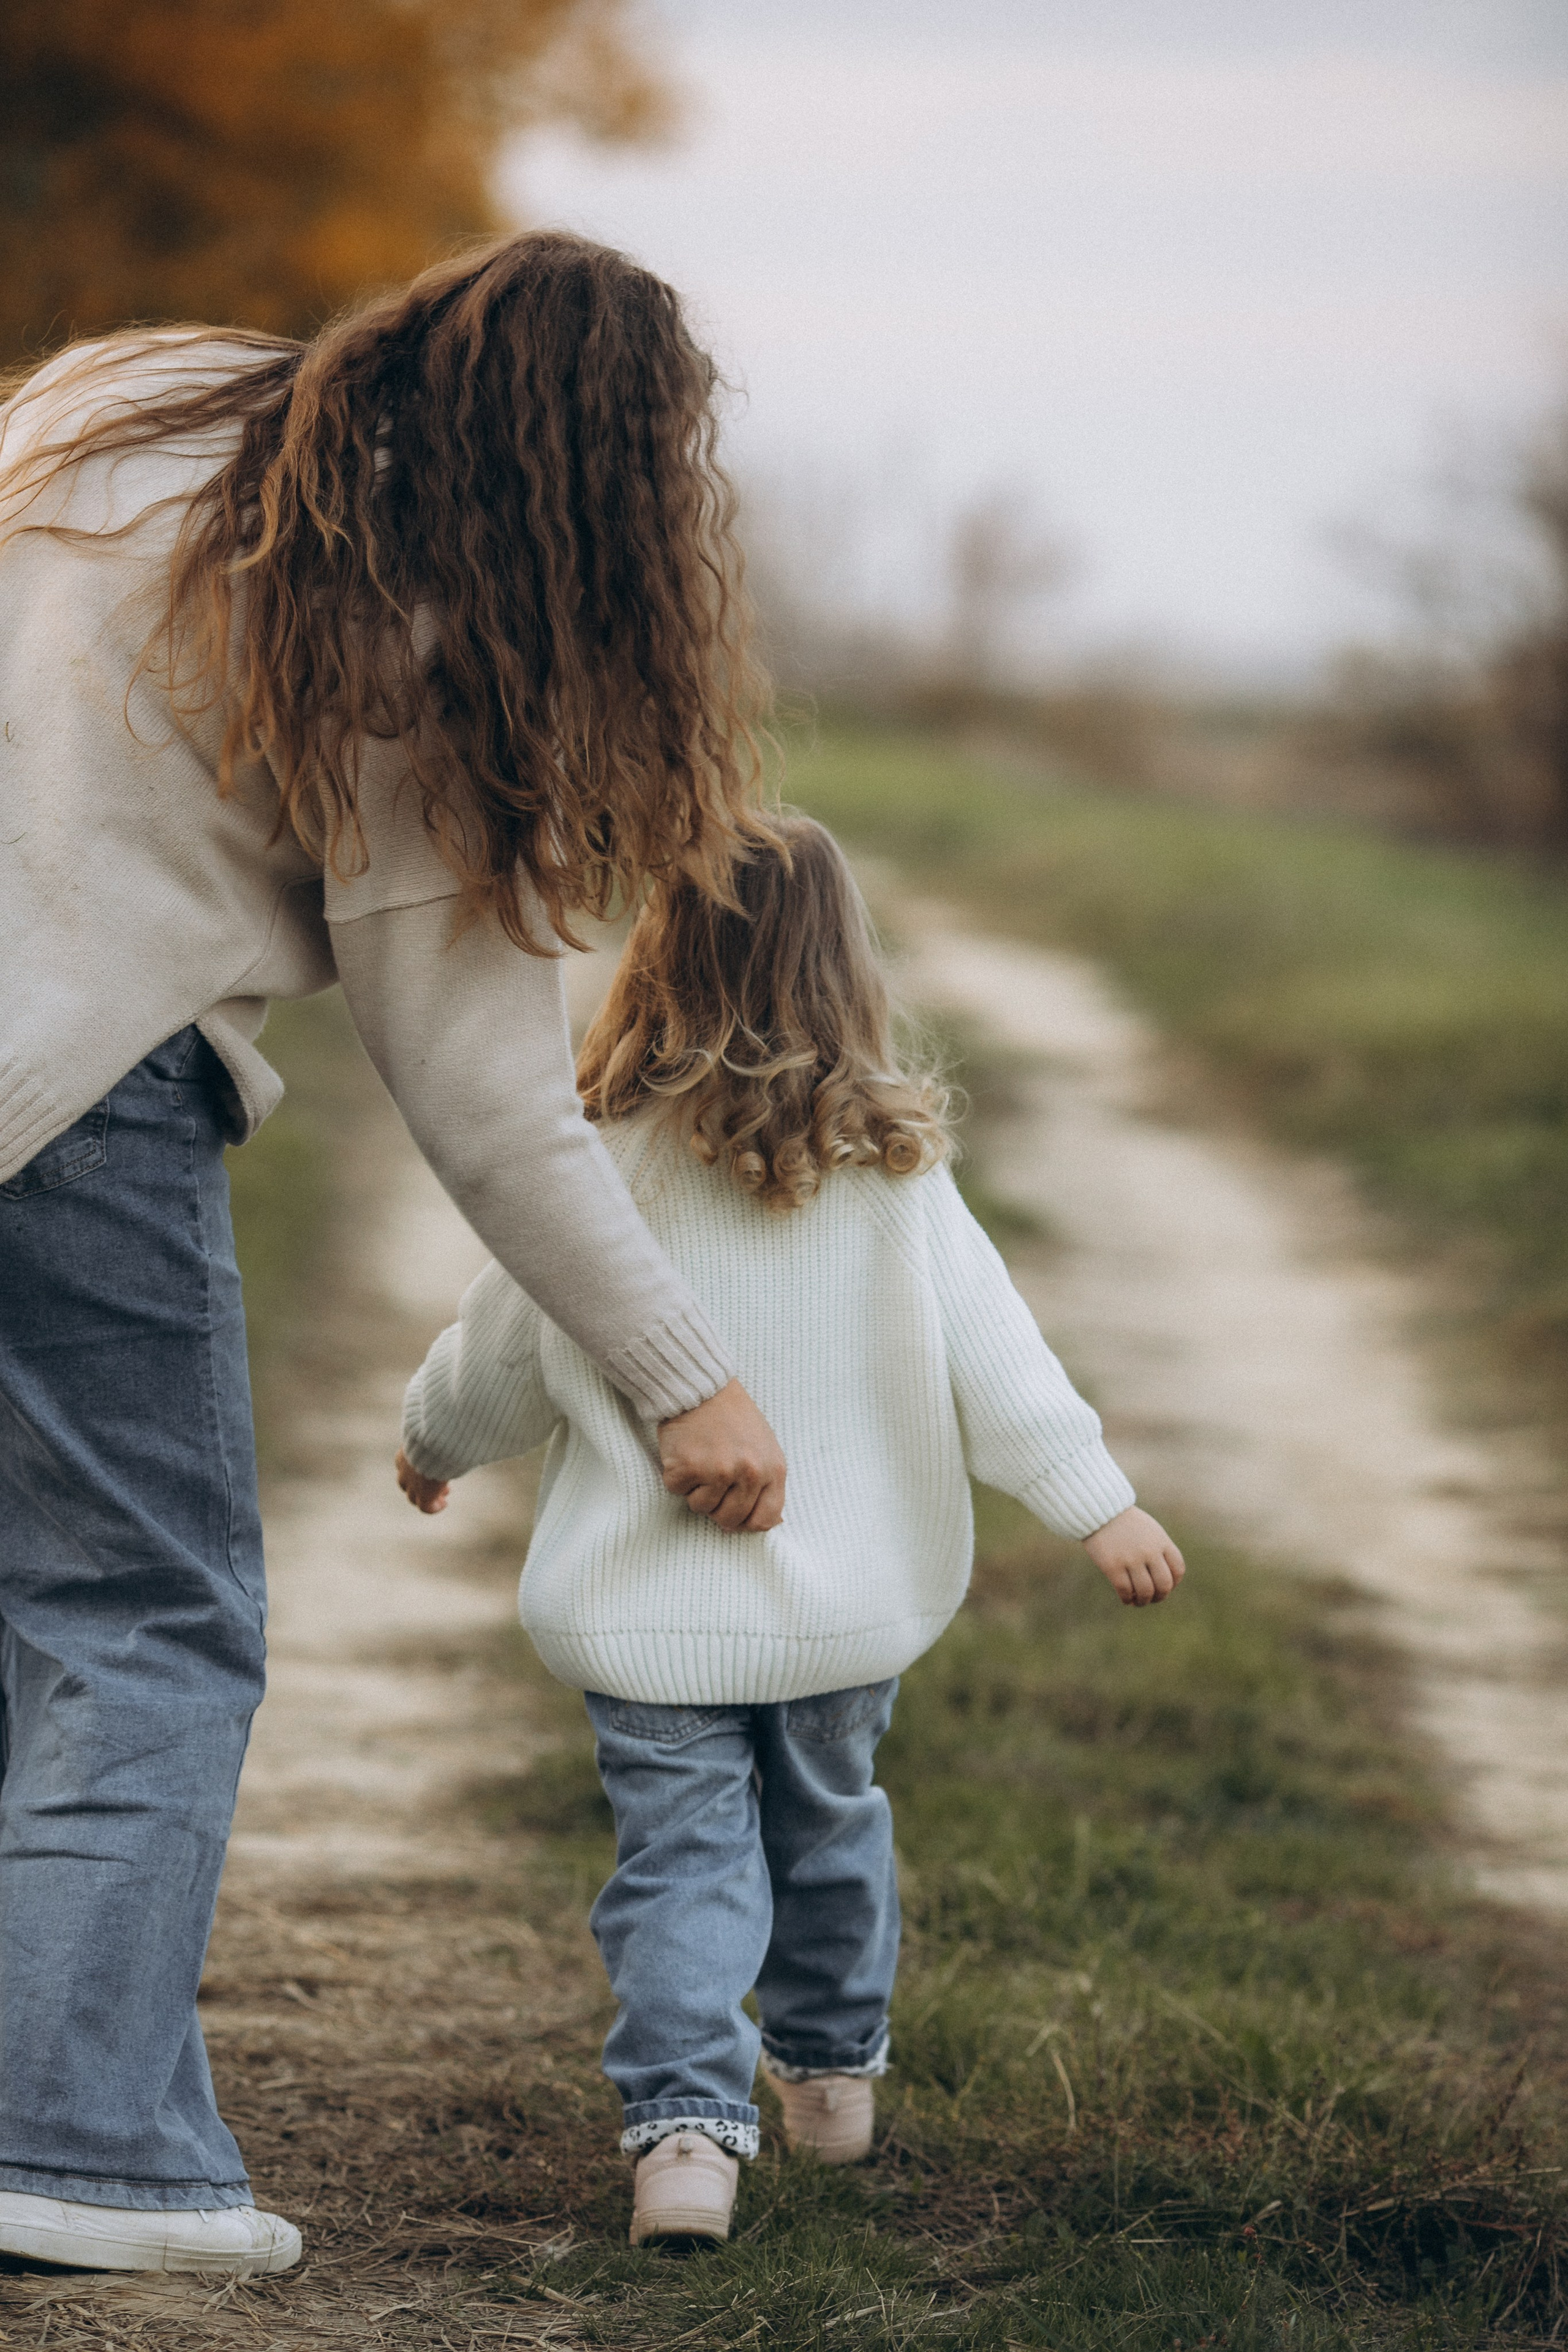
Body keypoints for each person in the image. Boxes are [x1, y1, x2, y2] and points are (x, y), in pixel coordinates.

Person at [0, 233, 789, 2278]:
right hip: (67, 1111)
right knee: (142, 1615)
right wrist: (686, 1379)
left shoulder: (116, 398)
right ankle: (78, 2149)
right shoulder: (414, 646)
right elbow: (495, 1106)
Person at [397, 814, 1185, 2248]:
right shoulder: (893, 1173)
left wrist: (432, 1441)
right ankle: (828, 2089)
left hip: (649, 1620)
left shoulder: (600, 1166)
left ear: (655, 957)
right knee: (827, 1832)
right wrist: (1099, 1504)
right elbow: (999, 1361)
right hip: (845, 1617)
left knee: (680, 1868)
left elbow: (500, 1349)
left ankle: (684, 2140)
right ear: (844, 970)